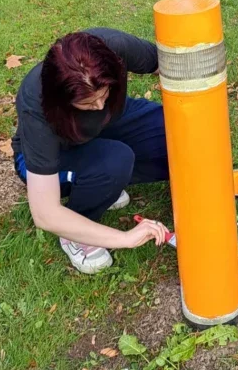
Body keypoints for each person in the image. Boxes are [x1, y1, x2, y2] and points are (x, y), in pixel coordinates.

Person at [12, 28, 170, 274]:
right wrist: (125, 238)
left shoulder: (112, 48)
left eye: (104, 94)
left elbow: (168, 64)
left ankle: (106, 184)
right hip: (53, 154)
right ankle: (77, 229)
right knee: (115, 162)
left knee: (176, 131)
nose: (98, 105)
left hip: (104, 127)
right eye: (86, 103)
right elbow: (44, 213)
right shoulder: (37, 107)